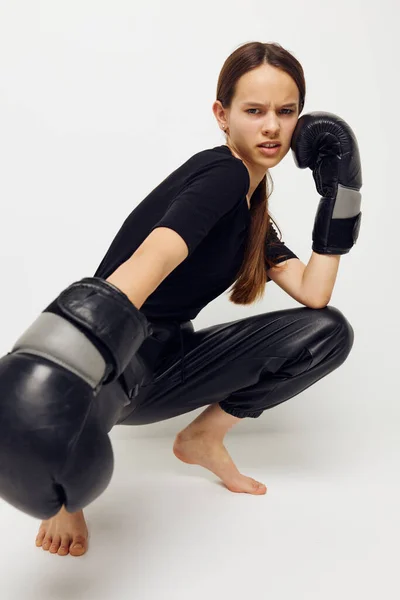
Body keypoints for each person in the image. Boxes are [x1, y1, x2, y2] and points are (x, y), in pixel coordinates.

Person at [13, 41, 361, 556]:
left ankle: (202, 439)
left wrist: (342, 193)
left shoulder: (253, 209)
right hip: (119, 360)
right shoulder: (224, 175)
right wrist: (73, 358)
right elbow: (151, 259)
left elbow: (316, 293)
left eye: (286, 113)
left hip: (170, 360)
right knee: (79, 414)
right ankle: (67, 489)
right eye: (254, 111)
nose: (271, 127)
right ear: (222, 115)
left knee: (328, 333)